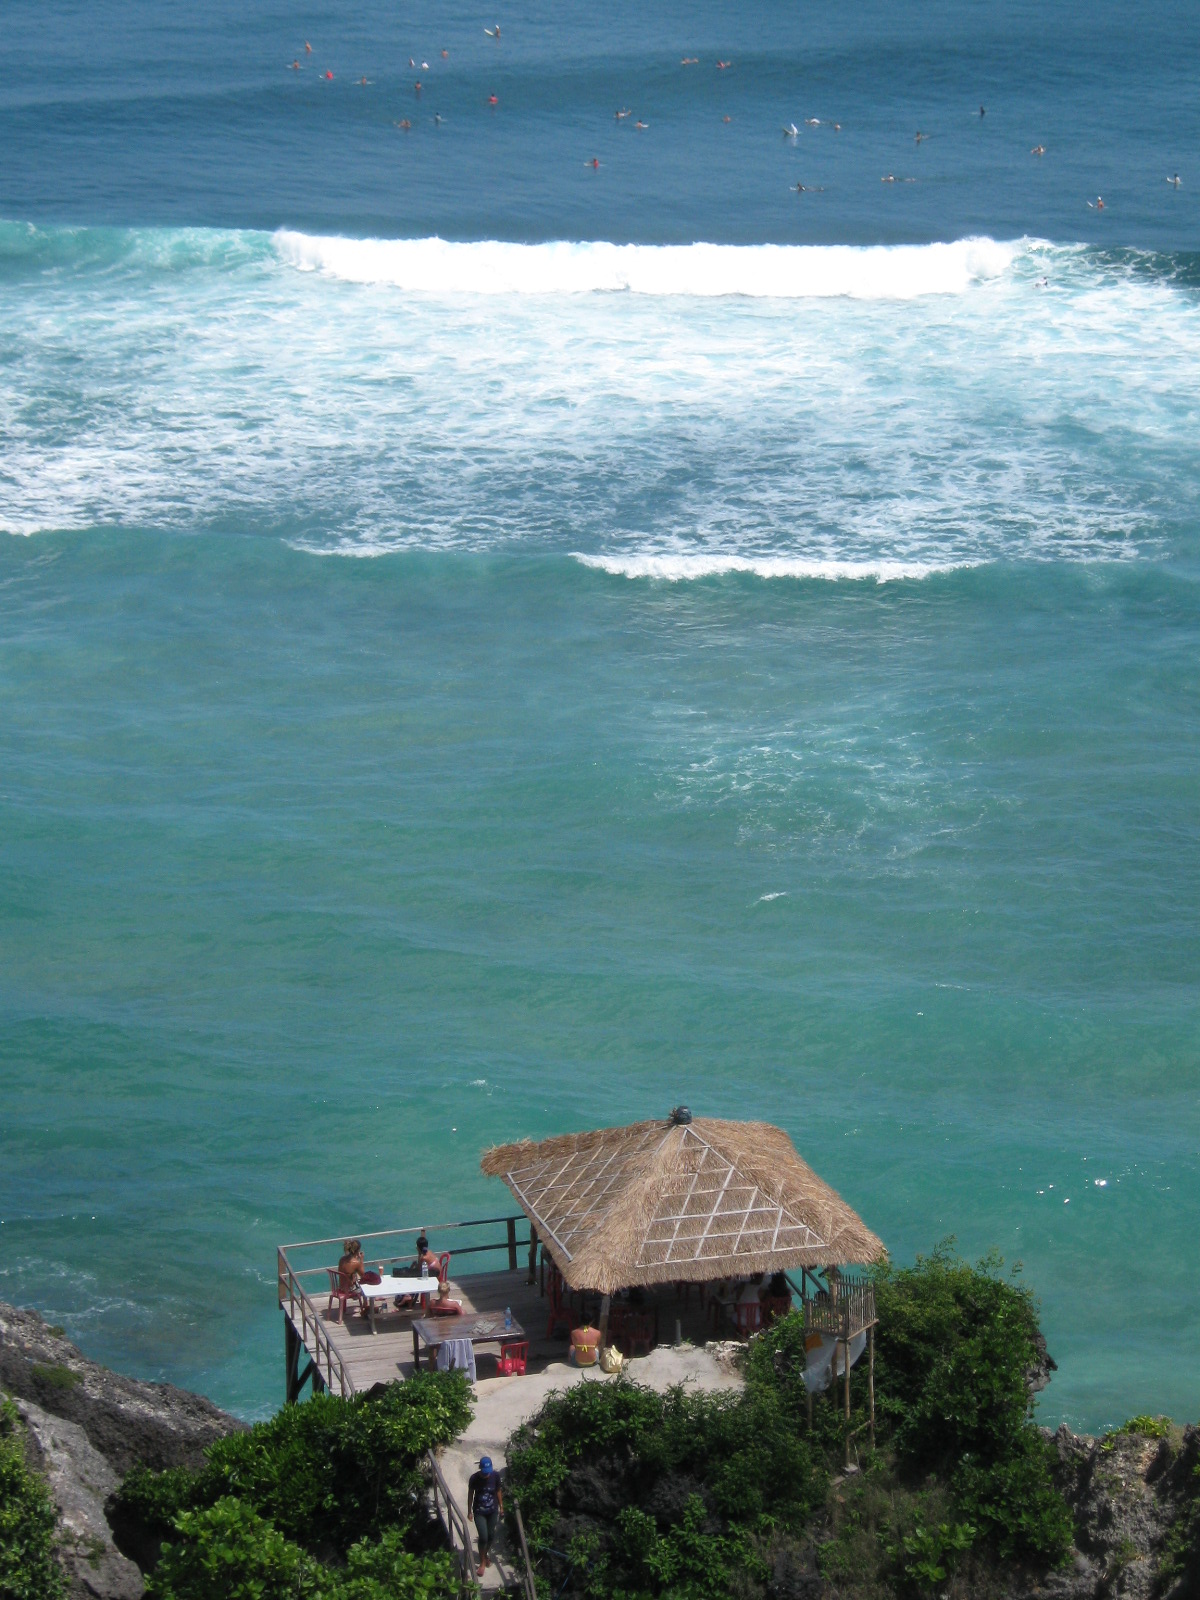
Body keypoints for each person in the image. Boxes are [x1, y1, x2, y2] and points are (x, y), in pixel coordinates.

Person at [467, 1456, 503, 1576]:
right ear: (480, 1469)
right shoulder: (474, 1478)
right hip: (479, 1511)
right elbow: (470, 1494)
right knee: (483, 1537)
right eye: (485, 1472)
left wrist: (501, 1507)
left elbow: (498, 1490)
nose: (487, 1475)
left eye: (489, 1472)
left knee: (491, 1535)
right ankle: (482, 1561)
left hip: (492, 1510)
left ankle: (484, 1554)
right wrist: (469, 1511)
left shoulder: (495, 1476)